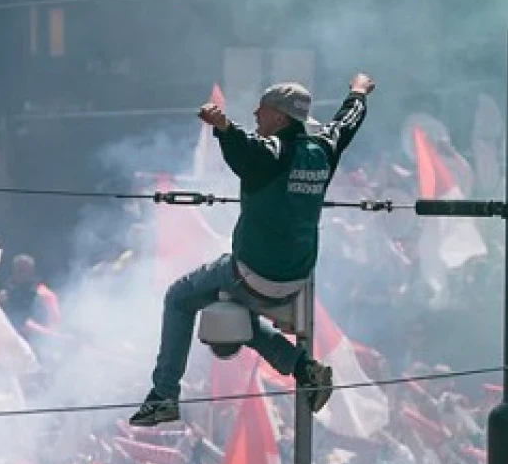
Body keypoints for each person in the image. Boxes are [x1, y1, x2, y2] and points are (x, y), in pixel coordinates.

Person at [130, 74, 375, 427]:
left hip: (251, 273)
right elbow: (346, 122)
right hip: (296, 279)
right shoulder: (323, 149)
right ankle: (304, 368)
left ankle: (164, 395)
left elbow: (245, 147)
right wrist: (358, 93)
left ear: (280, 117)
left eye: (262, 110)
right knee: (239, 317)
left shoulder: (272, 153)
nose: (256, 115)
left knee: (179, 297)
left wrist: (222, 126)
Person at [0, 254, 61, 343]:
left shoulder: (45, 296)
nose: (20, 274)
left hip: (39, 346)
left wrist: (33, 329)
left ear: (32, 272)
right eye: (18, 270)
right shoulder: (3, 297)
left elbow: (55, 330)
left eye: (24, 271)